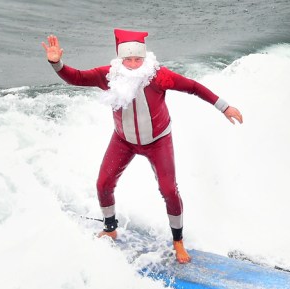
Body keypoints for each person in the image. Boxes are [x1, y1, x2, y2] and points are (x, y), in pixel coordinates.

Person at [42, 29, 243, 264]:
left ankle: (178, 241)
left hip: (158, 141)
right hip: (123, 141)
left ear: (145, 58)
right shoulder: (108, 76)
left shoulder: (158, 77)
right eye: (129, 59)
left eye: (139, 59)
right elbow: (75, 77)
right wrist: (57, 64)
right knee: (103, 184)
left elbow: (194, 87)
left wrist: (224, 107)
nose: (134, 64)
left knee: (169, 190)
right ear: (120, 59)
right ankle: (110, 229)